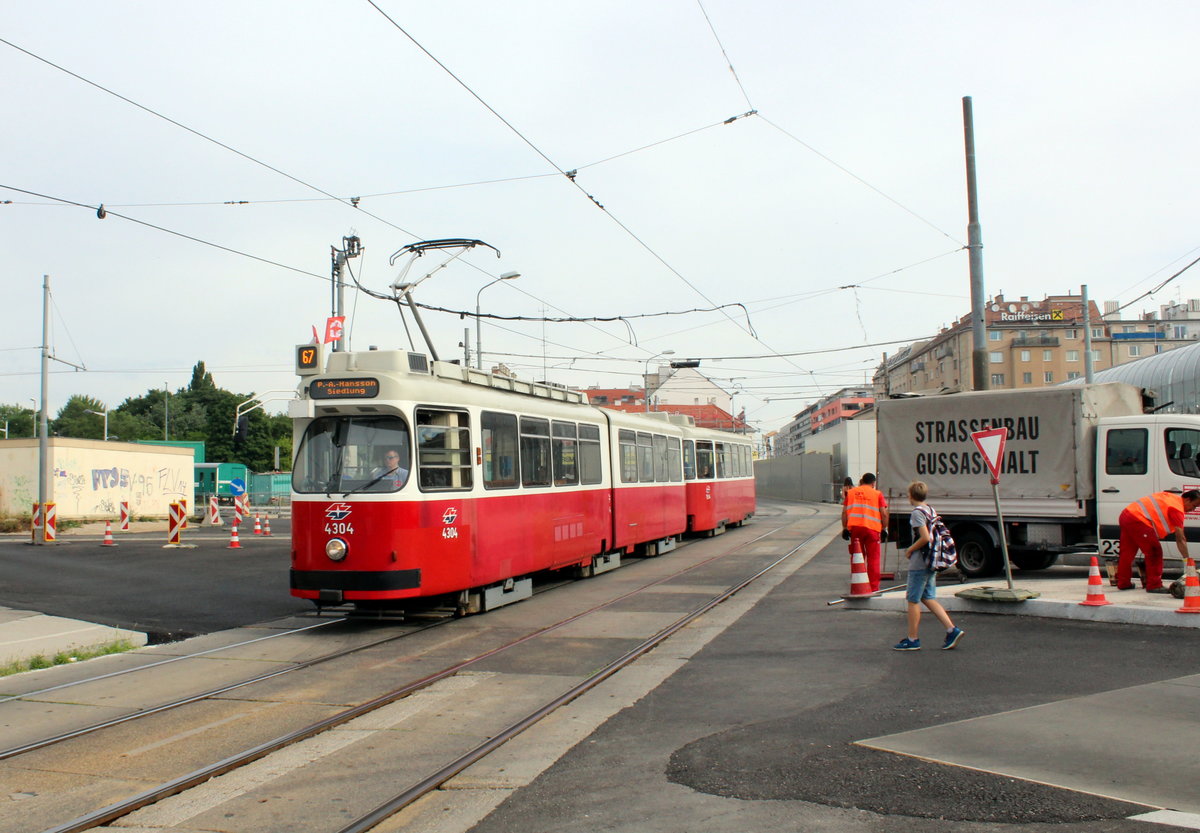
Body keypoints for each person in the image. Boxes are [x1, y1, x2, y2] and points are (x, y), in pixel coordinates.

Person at [893, 480, 963, 651]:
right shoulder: (929, 509)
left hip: (920, 563)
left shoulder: (917, 513)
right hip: (931, 561)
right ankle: (951, 629)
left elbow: (925, 537)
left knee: (913, 600)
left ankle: (912, 639)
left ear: (911, 495)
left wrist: (910, 549)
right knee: (928, 597)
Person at [1116, 489, 1200, 593]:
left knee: (1127, 553)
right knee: (1154, 552)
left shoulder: (1171, 498)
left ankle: (1123, 583)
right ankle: (1154, 585)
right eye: (1194, 506)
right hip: (1138, 520)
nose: (1193, 509)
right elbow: (1180, 538)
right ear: (1187, 500)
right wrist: (1187, 560)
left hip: (1127, 514)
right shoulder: (1177, 509)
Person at [842, 472, 889, 593]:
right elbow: (883, 513)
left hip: (856, 530)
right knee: (873, 559)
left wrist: (845, 528)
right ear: (873, 483)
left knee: (857, 558)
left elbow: (844, 512)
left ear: (862, 480)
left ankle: (858, 585)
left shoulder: (851, 493)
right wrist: (884, 528)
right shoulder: (877, 494)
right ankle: (873, 588)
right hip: (872, 529)